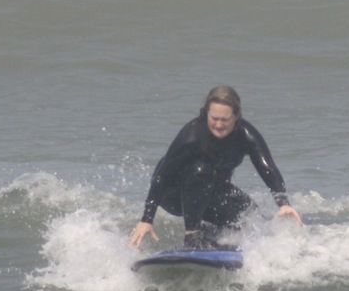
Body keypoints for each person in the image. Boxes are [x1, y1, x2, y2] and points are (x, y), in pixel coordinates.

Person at [129, 85, 302, 250]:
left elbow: (268, 168)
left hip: (209, 193)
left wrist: (283, 204)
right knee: (202, 171)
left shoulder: (246, 136)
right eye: (214, 118)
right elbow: (161, 176)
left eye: (225, 120)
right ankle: (192, 238)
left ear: (236, 117)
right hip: (174, 195)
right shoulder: (192, 135)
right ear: (206, 114)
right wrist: (147, 219)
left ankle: (212, 237)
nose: (219, 125)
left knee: (248, 214)